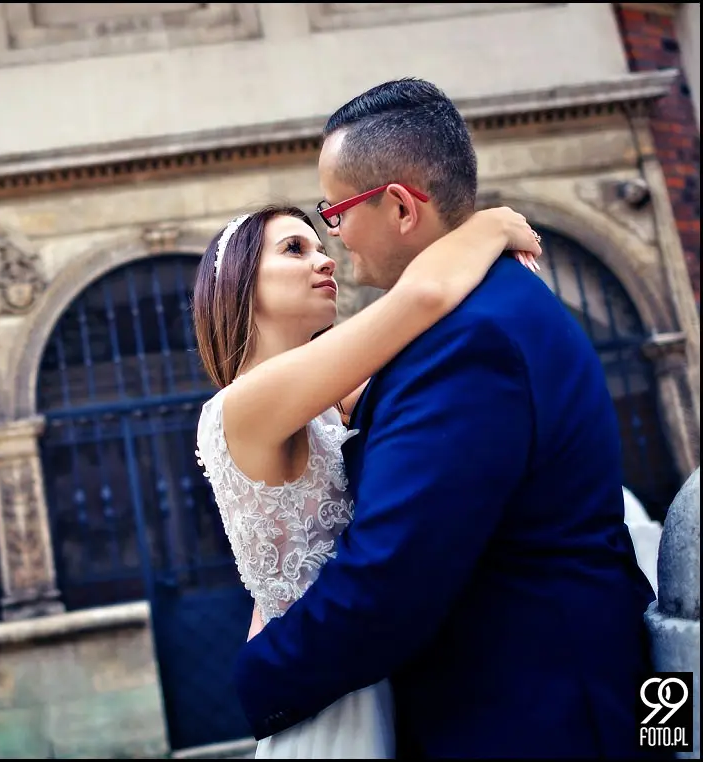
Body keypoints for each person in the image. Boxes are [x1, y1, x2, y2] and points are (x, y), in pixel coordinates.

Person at [228, 78, 662, 759]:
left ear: (401, 207)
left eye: (334, 212)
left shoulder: (466, 340)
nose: (332, 240)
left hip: (540, 718)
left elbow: (394, 579)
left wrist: (256, 679)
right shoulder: (484, 310)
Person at [192, 201, 542, 758]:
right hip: (331, 699)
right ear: (241, 283)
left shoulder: (325, 400)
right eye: (294, 249)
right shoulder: (242, 405)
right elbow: (421, 300)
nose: (325, 260)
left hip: (371, 665)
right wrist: (490, 224)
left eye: (321, 246)